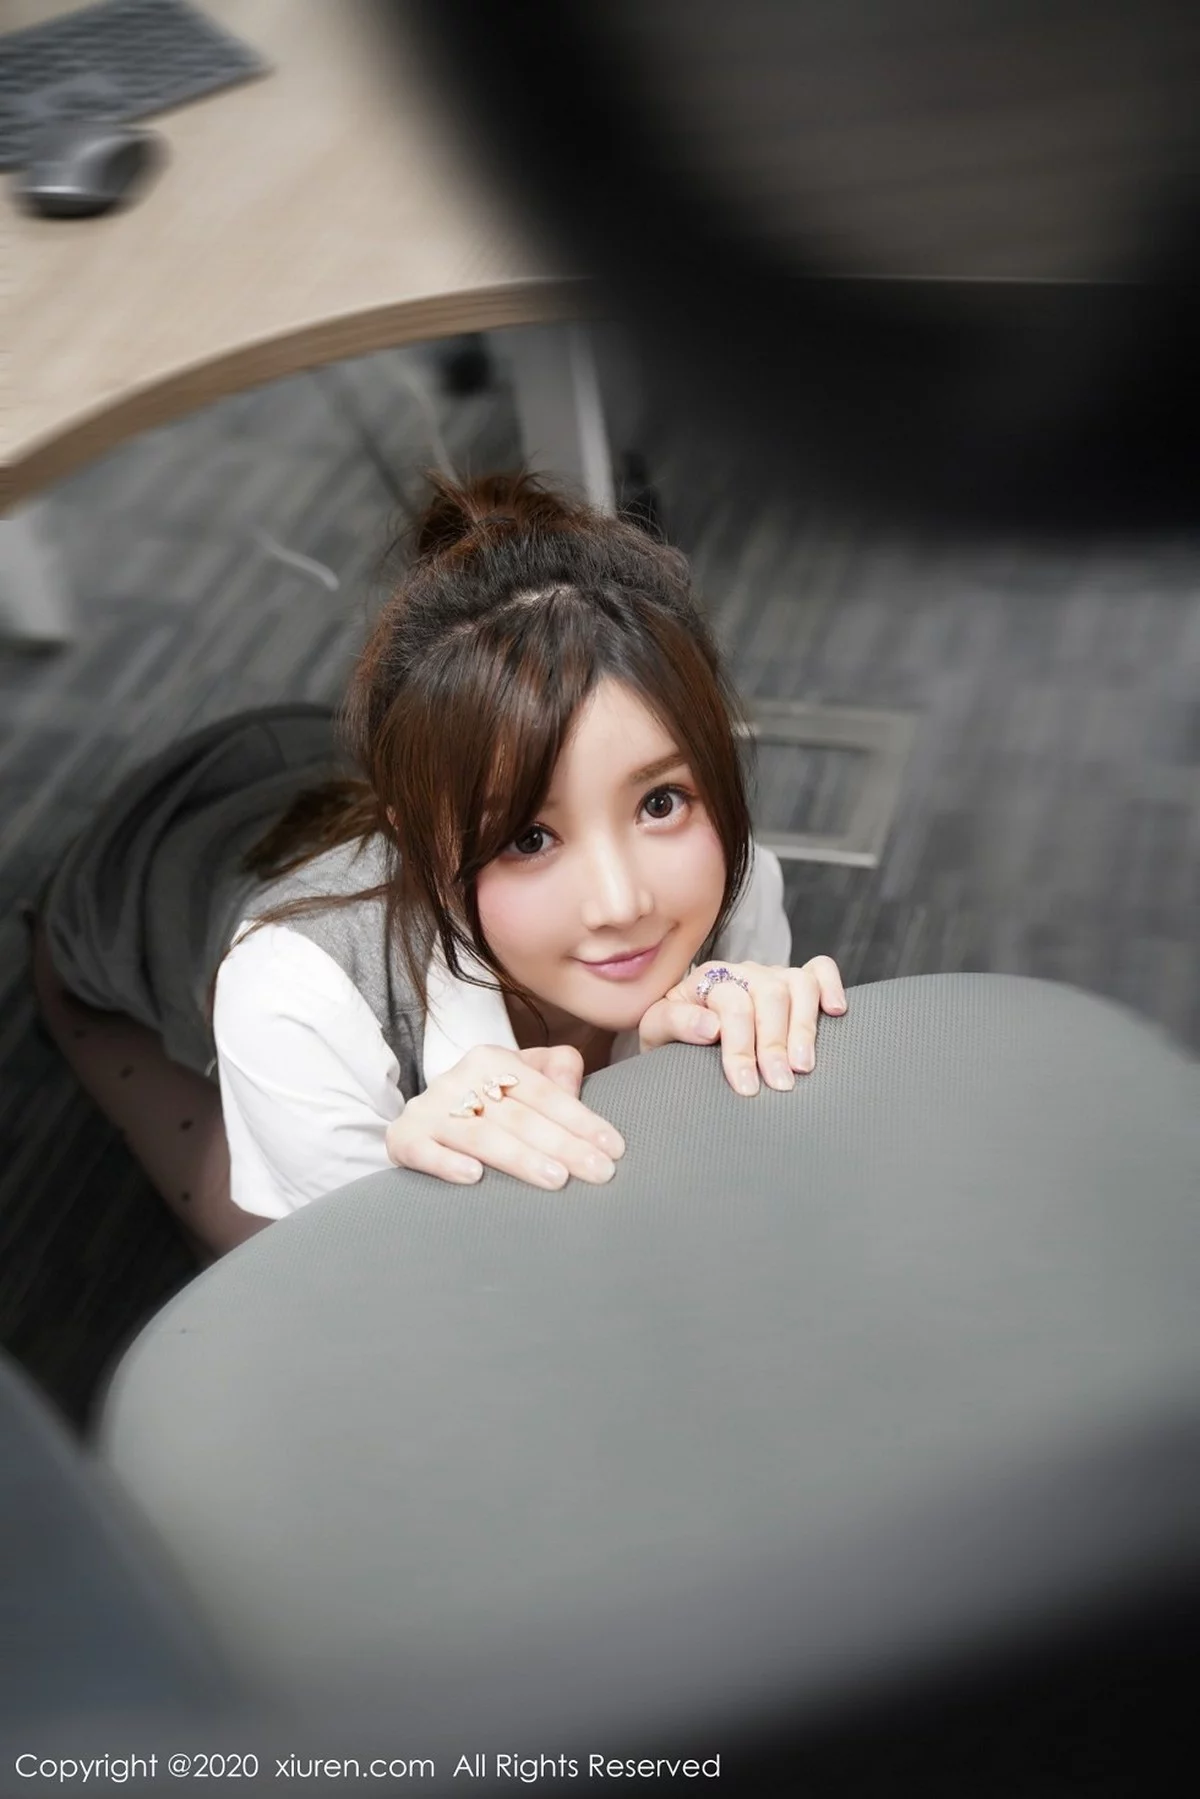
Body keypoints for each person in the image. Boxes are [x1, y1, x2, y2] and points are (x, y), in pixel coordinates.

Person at [31, 471, 846, 1262]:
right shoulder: (294, 989)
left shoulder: (728, 883)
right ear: (421, 842)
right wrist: (419, 1198)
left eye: (659, 801)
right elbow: (365, 1308)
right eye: (529, 838)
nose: (621, 901)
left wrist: (680, 1066)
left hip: (336, 765)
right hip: (139, 882)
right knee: (241, 1236)